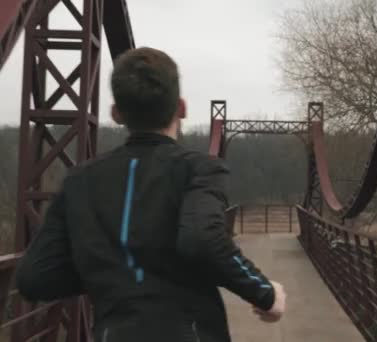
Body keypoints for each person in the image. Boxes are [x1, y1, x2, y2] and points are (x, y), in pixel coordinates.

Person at [15, 47, 286, 342]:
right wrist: (265, 292)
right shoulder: (199, 169)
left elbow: (35, 277)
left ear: (116, 114)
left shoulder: (78, 181)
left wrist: (107, 271)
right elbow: (202, 239)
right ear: (181, 108)